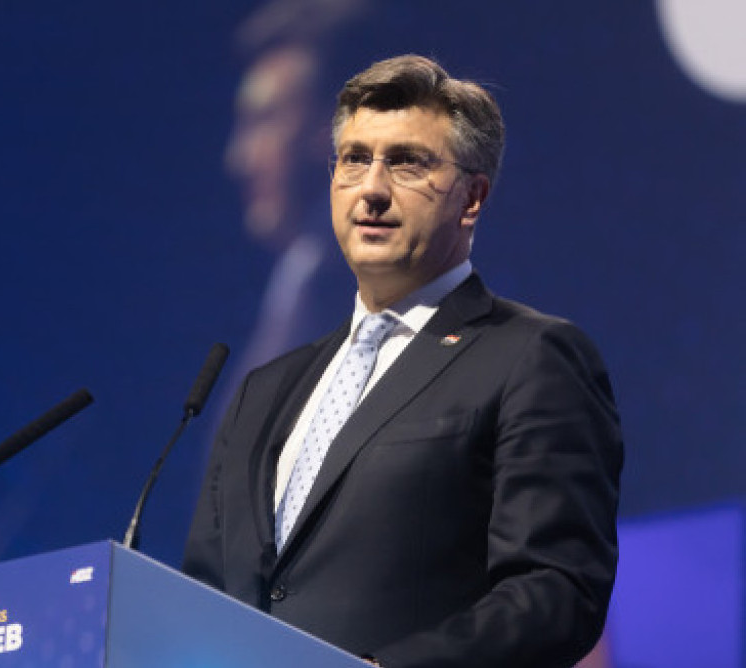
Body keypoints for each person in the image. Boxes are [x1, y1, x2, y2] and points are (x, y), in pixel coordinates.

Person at [184, 54, 623, 667]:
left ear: (472, 197)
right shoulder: (264, 392)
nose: (372, 189)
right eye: (354, 159)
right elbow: (199, 601)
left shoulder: (530, 356)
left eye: (408, 163)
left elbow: (554, 592)